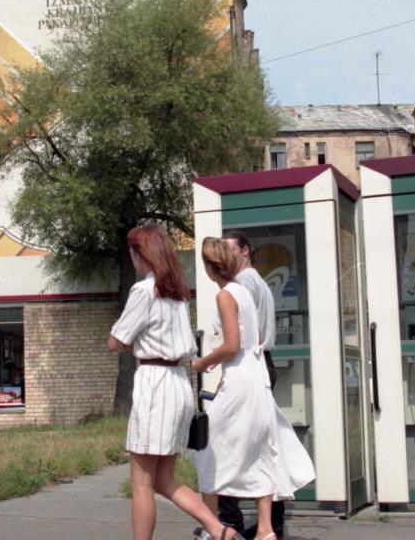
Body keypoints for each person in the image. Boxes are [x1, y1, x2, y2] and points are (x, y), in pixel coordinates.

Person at [107, 225, 238, 540]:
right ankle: (218, 528)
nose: (132, 257)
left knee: (141, 481)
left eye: (133, 251)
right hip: (179, 382)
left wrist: (133, 342)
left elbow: (116, 340)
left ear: (143, 254)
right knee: (164, 479)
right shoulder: (177, 292)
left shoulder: (144, 290)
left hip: (155, 382)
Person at [192, 238, 314, 540]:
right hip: (255, 375)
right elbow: (255, 338)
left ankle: (214, 528)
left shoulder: (225, 295)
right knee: (260, 450)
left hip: (239, 378)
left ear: (210, 267)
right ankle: (265, 529)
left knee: (208, 449)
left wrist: (203, 362)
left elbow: (232, 344)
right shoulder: (244, 292)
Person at [219, 230, 284, 539]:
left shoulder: (242, 284)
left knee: (227, 445)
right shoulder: (259, 282)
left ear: (245, 250)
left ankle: (229, 522)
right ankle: (270, 524)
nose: (224, 257)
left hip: (249, 364)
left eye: (229, 250)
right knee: (262, 444)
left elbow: (244, 336)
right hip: (262, 364)